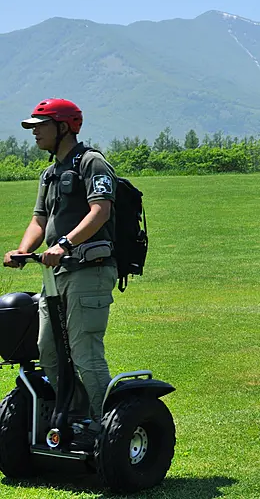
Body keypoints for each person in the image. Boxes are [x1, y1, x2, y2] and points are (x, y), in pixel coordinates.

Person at [3, 99, 117, 449]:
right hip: (56, 274)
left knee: (85, 353)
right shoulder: (50, 172)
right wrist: (24, 250)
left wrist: (64, 244)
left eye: (41, 125)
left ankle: (107, 427)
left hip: (89, 270)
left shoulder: (91, 162)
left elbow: (100, 211)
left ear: (65, 127)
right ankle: (78, 416)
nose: (34, 131)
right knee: (48, 351)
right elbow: (39, 220)